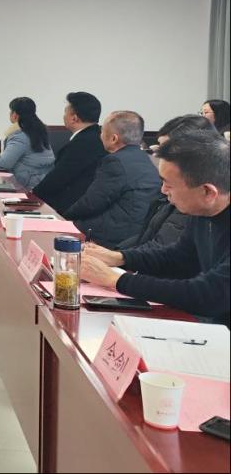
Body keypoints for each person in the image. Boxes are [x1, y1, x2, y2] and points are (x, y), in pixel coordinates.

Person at [82, 130, 230, 326]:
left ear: (208, 192)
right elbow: (178, 258)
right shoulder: (203, 210)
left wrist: (116, 280)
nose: (163, 191)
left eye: (169, 184)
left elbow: (209, 296)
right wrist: (119, 257)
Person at [118, 115, 217, 250]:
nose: (157, 155)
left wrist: (118, 257)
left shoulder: (192, 200)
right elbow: (147, 236)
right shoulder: (175, 189)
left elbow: (163, 252)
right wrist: (116, 253)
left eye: (166, 150)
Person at [64, 111, 160, 248]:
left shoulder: (115, 161)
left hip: (113, 235)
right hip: (139, 233)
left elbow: (92, 203)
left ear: (114, 138)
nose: (100, 135)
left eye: (102, 131)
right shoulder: (146, 158)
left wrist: (64, 216)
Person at [31, 92, 107, 213]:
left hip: (72, 209)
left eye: (65, 112)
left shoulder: (82, 143)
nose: (63, 116)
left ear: (74, 118)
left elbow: (57, 179)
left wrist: (31, 196)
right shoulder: (98, 137)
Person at [0, 97, 55, 188]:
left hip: (28, 185)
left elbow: (5, 162)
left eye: (11, 111)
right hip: (41, 182)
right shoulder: (37, 131)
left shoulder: (20, 136)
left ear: (15, 115)